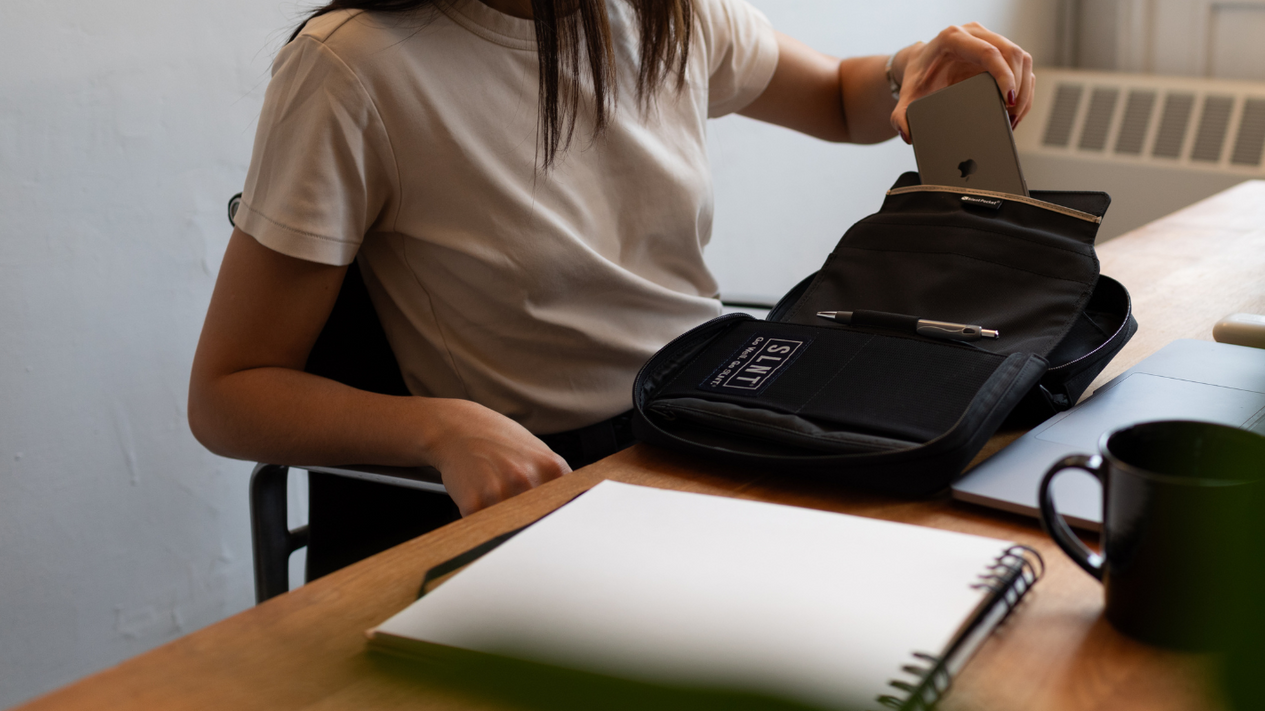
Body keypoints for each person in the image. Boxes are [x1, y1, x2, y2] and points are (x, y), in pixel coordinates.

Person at [189, 0, 1035, 575]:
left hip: (707, 430)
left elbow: (839, 100)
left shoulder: (665, 14)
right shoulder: (352, 71)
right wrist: (438, 428)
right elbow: (229, 394)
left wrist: (912, 69)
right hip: (553, 491)